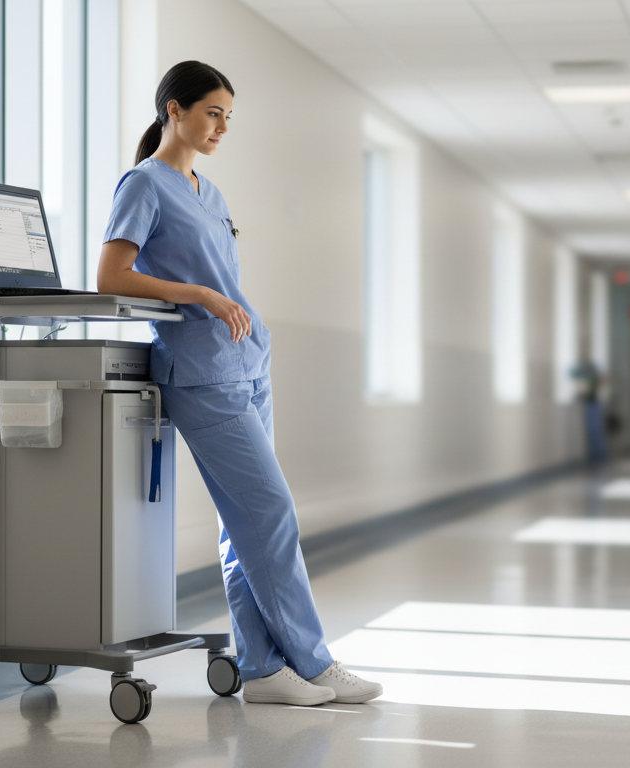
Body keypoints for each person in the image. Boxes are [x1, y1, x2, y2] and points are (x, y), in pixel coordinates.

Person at [96, 61, 381, 707]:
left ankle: (262, 670)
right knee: (272, 511)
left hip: (247, 367)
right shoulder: (144, 184)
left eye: (228, 116)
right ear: (175, 110)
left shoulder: (209, 191)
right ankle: (314, 662)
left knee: (245, 525)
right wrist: (196, 293)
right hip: (200, 376)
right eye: (212, 112)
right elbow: (112, 274)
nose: (222, 126)